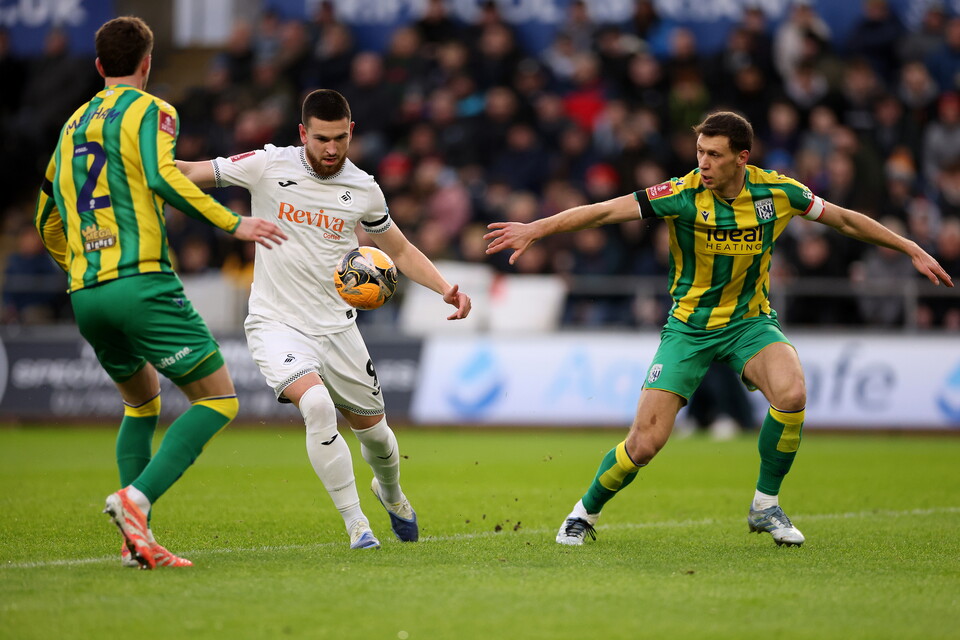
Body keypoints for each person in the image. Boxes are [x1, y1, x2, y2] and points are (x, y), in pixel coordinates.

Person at [485, 111, 953, 547]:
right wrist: (535, 229)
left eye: (714, 155)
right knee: (645, 444)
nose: (703, 163)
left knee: (791, 394)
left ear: (741, 157)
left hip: (750, 322)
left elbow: (845, 219)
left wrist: (908, 246)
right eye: (700, 153)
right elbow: (605, 211)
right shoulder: (681, 194)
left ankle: (765, 505)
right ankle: (584, 512)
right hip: (689, 328)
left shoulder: (779, 193)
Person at [33, 16, 286, 569]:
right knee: (218, 398)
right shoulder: (154, 111)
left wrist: (80, 267)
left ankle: (133, 544)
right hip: (141, 280)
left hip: (87, 294)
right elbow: (161, 174)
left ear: (100, 66)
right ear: (147, 63)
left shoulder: (71, 126)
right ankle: (135, 500)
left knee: (142, 401)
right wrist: (233, 223)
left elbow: (46, 219)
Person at [177, 89, 472, 549]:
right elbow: (193, 172)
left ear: (351, 132)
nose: (331, 149)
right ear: (303, 134)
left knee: (377, 439)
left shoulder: (363, 188)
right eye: (321, 139)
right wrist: (134, 168)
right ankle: (358, 526)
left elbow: (398, 250)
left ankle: (390, 493)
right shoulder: (267, 164)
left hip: (338, 328)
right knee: (316, 406)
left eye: (339, 138)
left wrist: (444, 288)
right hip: (276, 322)